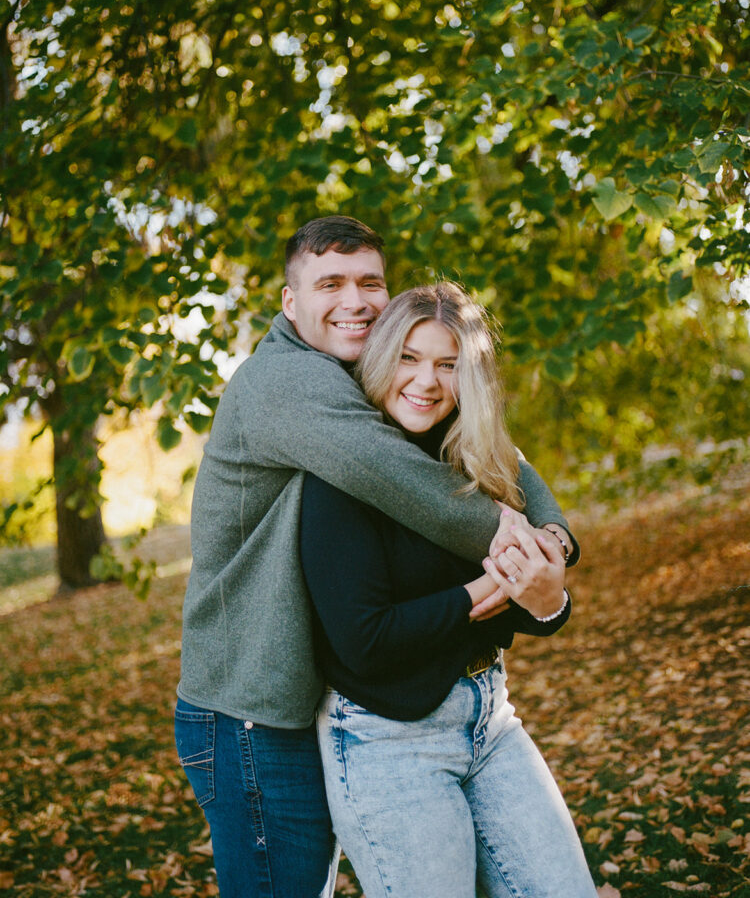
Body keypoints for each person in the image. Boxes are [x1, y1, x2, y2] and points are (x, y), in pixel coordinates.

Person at [175, 217, 579, 898]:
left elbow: (496, 450)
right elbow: (422, 488)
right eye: (330, 283)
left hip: (312, 695)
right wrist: (518, 561)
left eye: (371, 283)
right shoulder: (288, 384)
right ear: (289, 302)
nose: (355, 300)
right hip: (249, 705)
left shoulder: (358, 374)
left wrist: (557, 541)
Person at [301, 282, 597, 898]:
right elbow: (364, 641)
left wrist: (550, 602)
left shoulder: (478, 458)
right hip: (385, 736)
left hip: (491, 718)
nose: (426, 381)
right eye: (408, 358)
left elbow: (534, 607)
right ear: (380, 358)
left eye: (448, 364)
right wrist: (484, 590)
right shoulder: (346, 470)